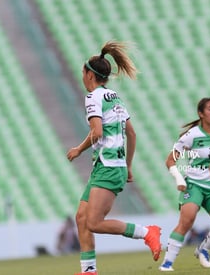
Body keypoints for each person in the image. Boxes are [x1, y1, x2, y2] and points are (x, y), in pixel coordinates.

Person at [66, 40, 161, 275]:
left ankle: (146, 232)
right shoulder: (114, 97)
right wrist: (128, 167)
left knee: (94, 223)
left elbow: (97, 132)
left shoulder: (93, 98)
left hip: (107, 167)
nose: (82, 76)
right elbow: (131, 133)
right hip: (110, 166)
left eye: (82, 72)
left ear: (89, 74)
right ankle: (89, 270)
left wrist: (78, 149)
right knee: (81, 217)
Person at [159, 98, 210, 272]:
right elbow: (170, 161)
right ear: (201, 114)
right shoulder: (192, 135)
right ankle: (167, 263)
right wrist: (179, 178)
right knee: (187, 219)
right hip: (194, 184)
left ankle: (203, 249)